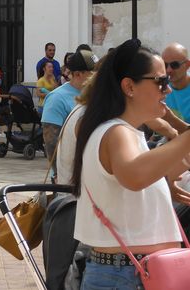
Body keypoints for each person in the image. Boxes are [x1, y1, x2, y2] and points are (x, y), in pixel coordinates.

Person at [71, 39, 190, 289]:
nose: (167, 90)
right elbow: (134, 175)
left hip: (133, 272)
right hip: (126, 275)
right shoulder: (116, 132)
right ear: (129, 86)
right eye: (161, 81)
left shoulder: (123, 132)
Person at [41, 48, 97, 169]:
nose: (98, 77)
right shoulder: (56, 98)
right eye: (93, 73)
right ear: (78, 74)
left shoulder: (96, 95)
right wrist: (58, 173)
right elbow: (51, 142)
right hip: (69, 171)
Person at [161, 42, 190, 122]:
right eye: (165, 65)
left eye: (175, 65)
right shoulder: (159, 87)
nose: (168, 70)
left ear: (187, 65)